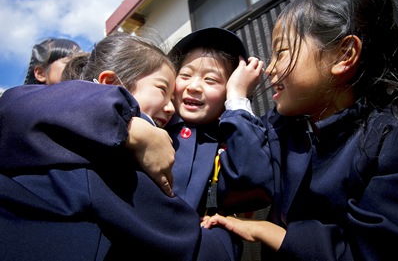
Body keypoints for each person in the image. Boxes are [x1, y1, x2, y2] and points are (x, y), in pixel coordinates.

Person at [201, 0, 398, 260]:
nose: (271, 69)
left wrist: (267, 231)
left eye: (281, 52)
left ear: (344, 55)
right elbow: (244, 180)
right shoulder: (283, 127)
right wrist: (237, 99)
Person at [0, 33, 242, 260]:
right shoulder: (110, 169)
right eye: (161, 89)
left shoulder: (42, 137)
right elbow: (195, 247)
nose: (171, 108)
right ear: (110, 83)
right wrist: (233, 234)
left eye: (172, 97)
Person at [166, 27, 273, 217]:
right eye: (185, 75)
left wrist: (238, 96)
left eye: (210, 79)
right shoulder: (152, 124)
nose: (193, 86)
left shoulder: (231, 143)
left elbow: (254, 184)